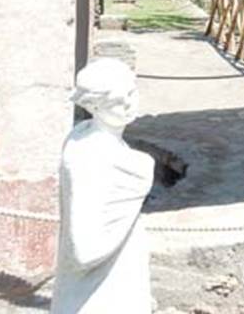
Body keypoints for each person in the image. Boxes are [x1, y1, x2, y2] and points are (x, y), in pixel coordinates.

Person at [51, 59, 154, 314]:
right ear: (95, 104)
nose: (130, 104)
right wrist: (141, 173)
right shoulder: (91, 158)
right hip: (100, 291)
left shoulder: (82, 135)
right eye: (119, 100)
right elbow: (86, 250)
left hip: (118, 272)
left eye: (133, 92)